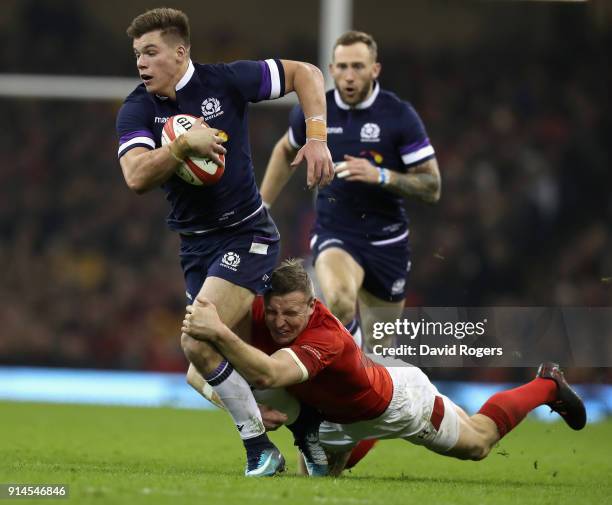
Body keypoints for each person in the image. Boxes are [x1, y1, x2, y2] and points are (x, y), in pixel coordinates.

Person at [115, 8, 334, 477]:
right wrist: (179, 147)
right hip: (195, 248)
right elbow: (135, 176)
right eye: (137, 55)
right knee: (200, 368)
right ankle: (301, 422)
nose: (142, 63)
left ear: (180, 51)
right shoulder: (138, 109)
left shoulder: (227, 81)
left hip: (246, 232)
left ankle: (260, 451)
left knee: (197, 338)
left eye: (151, 52)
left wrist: (316, 136)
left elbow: (306, 73)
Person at [181, 259, 587, 477]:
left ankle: (547, 384)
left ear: (311, 306)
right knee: (315, 483)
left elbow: (268, 374)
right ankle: (356, 441)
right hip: (335, 417)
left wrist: (219, 331)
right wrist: (245, 410)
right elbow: (197, 372)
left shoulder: (326, 336)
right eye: (272, 312)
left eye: (291, 313)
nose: (280, 322)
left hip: (399, 404)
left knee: (478, 442)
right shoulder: (259, 314)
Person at [260, 31, 441, 350]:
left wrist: (382, 175)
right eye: (342, 67)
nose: (349, 75)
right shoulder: (316, 111)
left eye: (358, 66)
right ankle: (338, 377)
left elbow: (432, 186)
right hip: (336, 232)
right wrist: (262, 207)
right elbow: (285, 150)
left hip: (388, 241)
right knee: (341, 303)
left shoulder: (399, 116)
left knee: (380, 348)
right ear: (331, 69)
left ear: (375, 70)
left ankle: (365, 373)